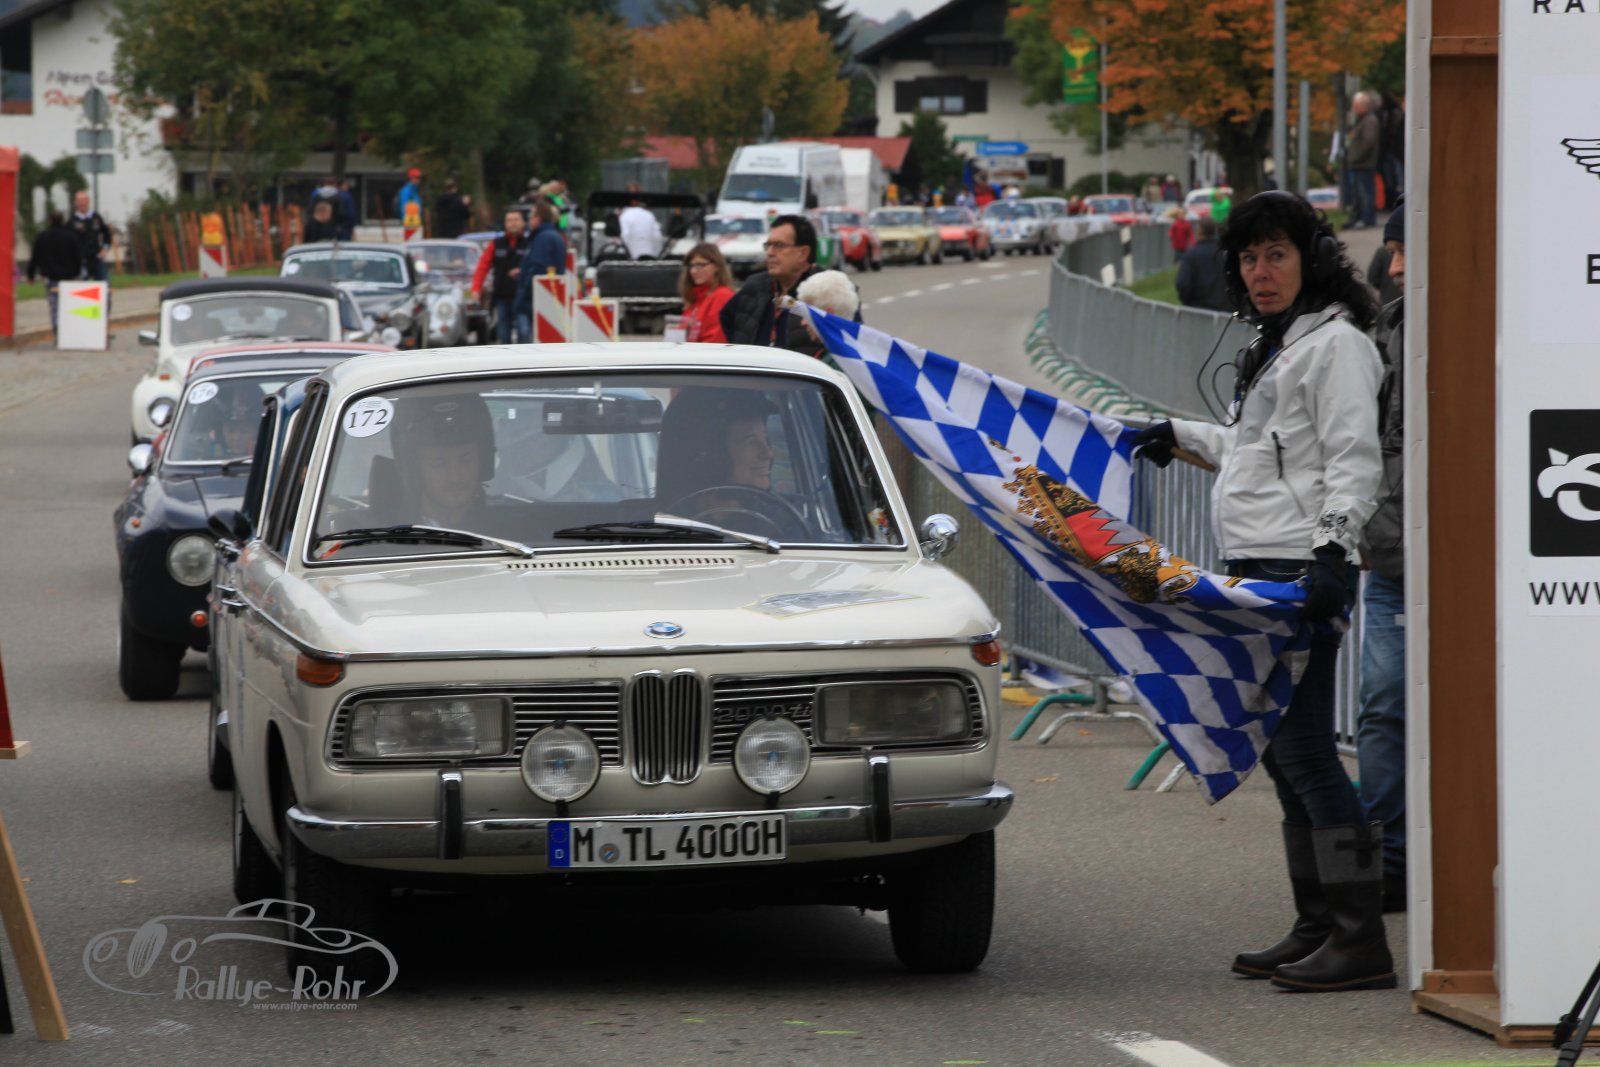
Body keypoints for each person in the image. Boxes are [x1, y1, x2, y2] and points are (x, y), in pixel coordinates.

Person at [1132, 190, 1392, 993]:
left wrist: (1331, 553)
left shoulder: (1337, 345)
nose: (1260, 272)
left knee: (1308, 750)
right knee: (1284, 751)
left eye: (1276, 254)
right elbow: (1260, 451)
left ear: (1312, 259)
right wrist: (1180, 437)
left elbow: (1353, 459)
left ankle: (1360, 938)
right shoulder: (1279, 343)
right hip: (1257, 569)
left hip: (1298, 570)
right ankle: (1319, 925)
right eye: (1248, 258)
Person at [1358, 201, 1407, 915]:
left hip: (1468, 569)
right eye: (1391, 251)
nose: (1394, 267)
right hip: (1393, 564)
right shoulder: (1380, 332)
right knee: (1383, 707)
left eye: (1406, 250)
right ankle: (1388, 865)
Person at [720, 215, 859, 355]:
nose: (770, 253)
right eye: (768, 245)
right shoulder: (756, 285)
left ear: (803, 253)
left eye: (779, 246)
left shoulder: (829, 289)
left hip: (803, 369)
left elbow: (852, 342)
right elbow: (726, 316)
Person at [391, 393, 497, 530]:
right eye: (438, 464)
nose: (455, 477)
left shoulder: (515, 530)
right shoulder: (385, 533)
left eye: (466, 461)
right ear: (413, 468)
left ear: (483, 461)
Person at [471, 209, 533, 344]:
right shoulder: (496, 244)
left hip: (523, 297)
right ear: (505, 224)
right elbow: (483, 266)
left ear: (523, 223)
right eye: (509, 220)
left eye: (516, 220)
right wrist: (476, 288)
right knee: (503, 335)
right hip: (502, 297)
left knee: (524, 333)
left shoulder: (529, 243)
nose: (513, 223)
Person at [511, 200, 568, 343]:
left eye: (531, 217)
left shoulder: (542, 238)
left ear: (538, 218)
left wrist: (521, 297)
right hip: (549, 299)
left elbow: (538, 268)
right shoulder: (554, 236)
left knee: (527, 340)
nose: (529, 220)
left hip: (533, 301)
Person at [26, 211, 81, 341]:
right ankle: (69, 330)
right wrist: (76, 273)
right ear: (63, 221)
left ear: (49, 221)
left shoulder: (42, 237)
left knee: (54, 306)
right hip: (68, 278)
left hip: (50, 277)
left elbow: (35, 258)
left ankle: (57, 330)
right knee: (68, 305)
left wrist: (30, 275)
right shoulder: (71, 237)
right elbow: (77, 257)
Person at [678, 242, 736, 343]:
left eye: (700, 265)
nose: (693, 271)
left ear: (717, 266)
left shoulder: (722, 296)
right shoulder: (696, 298)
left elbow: (715, 341)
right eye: (691, 266)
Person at [1175, 216, 1230, 312]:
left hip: (1200, 311)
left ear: (1199, 232)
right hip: (1226, 311)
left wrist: (1187, 302)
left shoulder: (1192, 255)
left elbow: (1183, 283)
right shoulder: (1226, 253)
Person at [1346, 91, 1381, 229]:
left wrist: (1356, 156)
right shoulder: (1361, 120)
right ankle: (1357, 217)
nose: (1353, 108)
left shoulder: (1369, 121)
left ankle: (1367, 218)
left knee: (1365, 192)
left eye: (1356, 105)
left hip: (1363, 163)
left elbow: (1368, 142)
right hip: (1358, 163)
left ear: (1364, 106)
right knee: (1357, 193)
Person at [69, 190, 113, 283]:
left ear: (88, 201)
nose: (82, 203)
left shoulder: (95, 217)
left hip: (96, 257)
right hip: (80, 260)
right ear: (75, 202)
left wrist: (105, 248)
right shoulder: (72, 221)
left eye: (84, 200)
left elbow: (106, 233)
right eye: (79, 201)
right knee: (80, 285)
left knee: (104, 284)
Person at [618, 188, 662, 259]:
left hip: (630, 259)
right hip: (650, 257)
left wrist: (622, 255)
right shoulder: (649, 215)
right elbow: (657, 236)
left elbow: (624, 235)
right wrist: (656, 255)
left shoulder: (625, 216)